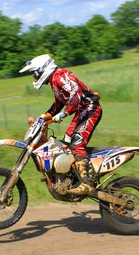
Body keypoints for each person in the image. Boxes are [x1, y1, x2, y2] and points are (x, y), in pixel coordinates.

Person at [19, 54, 102, 196]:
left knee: (77, 144)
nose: (35, 77)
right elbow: (59, 103)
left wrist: (64, 113)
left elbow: (76, 94)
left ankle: (87, 183)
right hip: (81, 112)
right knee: (66, 144)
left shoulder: (60, 76)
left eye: (35, 73)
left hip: (90, 109)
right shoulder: (54, 81)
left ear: (43, 69)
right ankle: (71, 178)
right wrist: (45, 116)